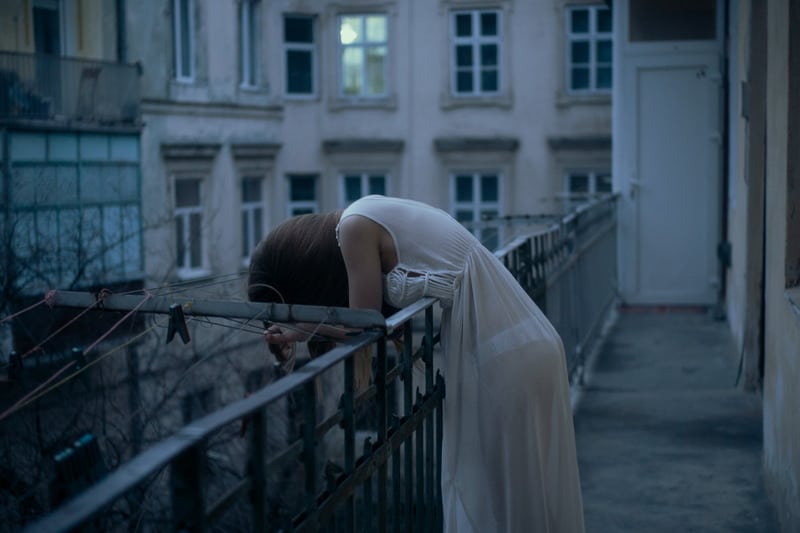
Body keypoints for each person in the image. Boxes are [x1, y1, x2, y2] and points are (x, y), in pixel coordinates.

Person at [248, 195, 585, 533]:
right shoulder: (365, 213)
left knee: (512, 505)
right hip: (520, 343)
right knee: (521, 499)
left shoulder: (353, 226)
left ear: (305, 274)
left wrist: (300, 329)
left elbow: (365, 324)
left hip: (508, 355)